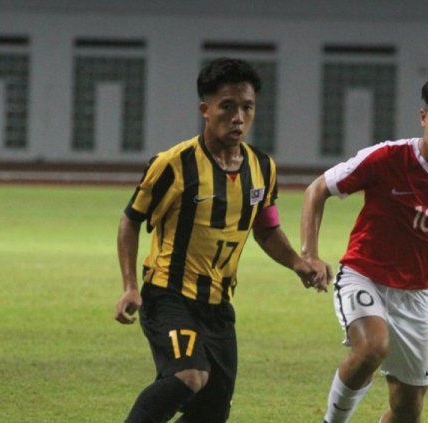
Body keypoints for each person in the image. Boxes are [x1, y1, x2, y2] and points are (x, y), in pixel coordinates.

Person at [115, 57, 323, 423]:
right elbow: (130, 222)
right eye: (227, 107)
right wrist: (131, 286)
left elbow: (266, 226)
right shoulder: (173, 164)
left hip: (219, 307)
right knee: (189, 375)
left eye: (247, 107)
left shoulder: (263, 168)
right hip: (169, 296)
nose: (239, 117)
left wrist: (297, 262)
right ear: (205, 110)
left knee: (211, 413)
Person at [300, 68, 428, 423]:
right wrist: (310, 254)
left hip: (416, 294)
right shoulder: (386, 158)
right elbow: (317, 190)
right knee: (372, 348)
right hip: (363, 275)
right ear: (422, 117)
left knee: (408, 409)